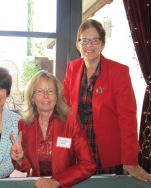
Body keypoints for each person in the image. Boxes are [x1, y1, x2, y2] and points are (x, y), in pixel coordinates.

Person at [62, 18, 151, 181]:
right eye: (85, 40)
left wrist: (130, 160)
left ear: (102, 44)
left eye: (95, 40)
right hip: (79, 150)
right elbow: (65, 109)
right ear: (78, 45)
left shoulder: (119, 72)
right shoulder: (72, 68)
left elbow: (128, 120)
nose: (89, 45)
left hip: (106, 153)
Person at [10, 70, 96, 188]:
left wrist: (57, 181)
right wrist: (20, 159)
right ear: (32, 97)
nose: (46, 96)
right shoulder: (24, 124)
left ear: (57, 96)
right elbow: (28, 167)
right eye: (40, 91)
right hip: (37, 185)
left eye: (50, 91)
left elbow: (88, 164)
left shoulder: (70, 122)